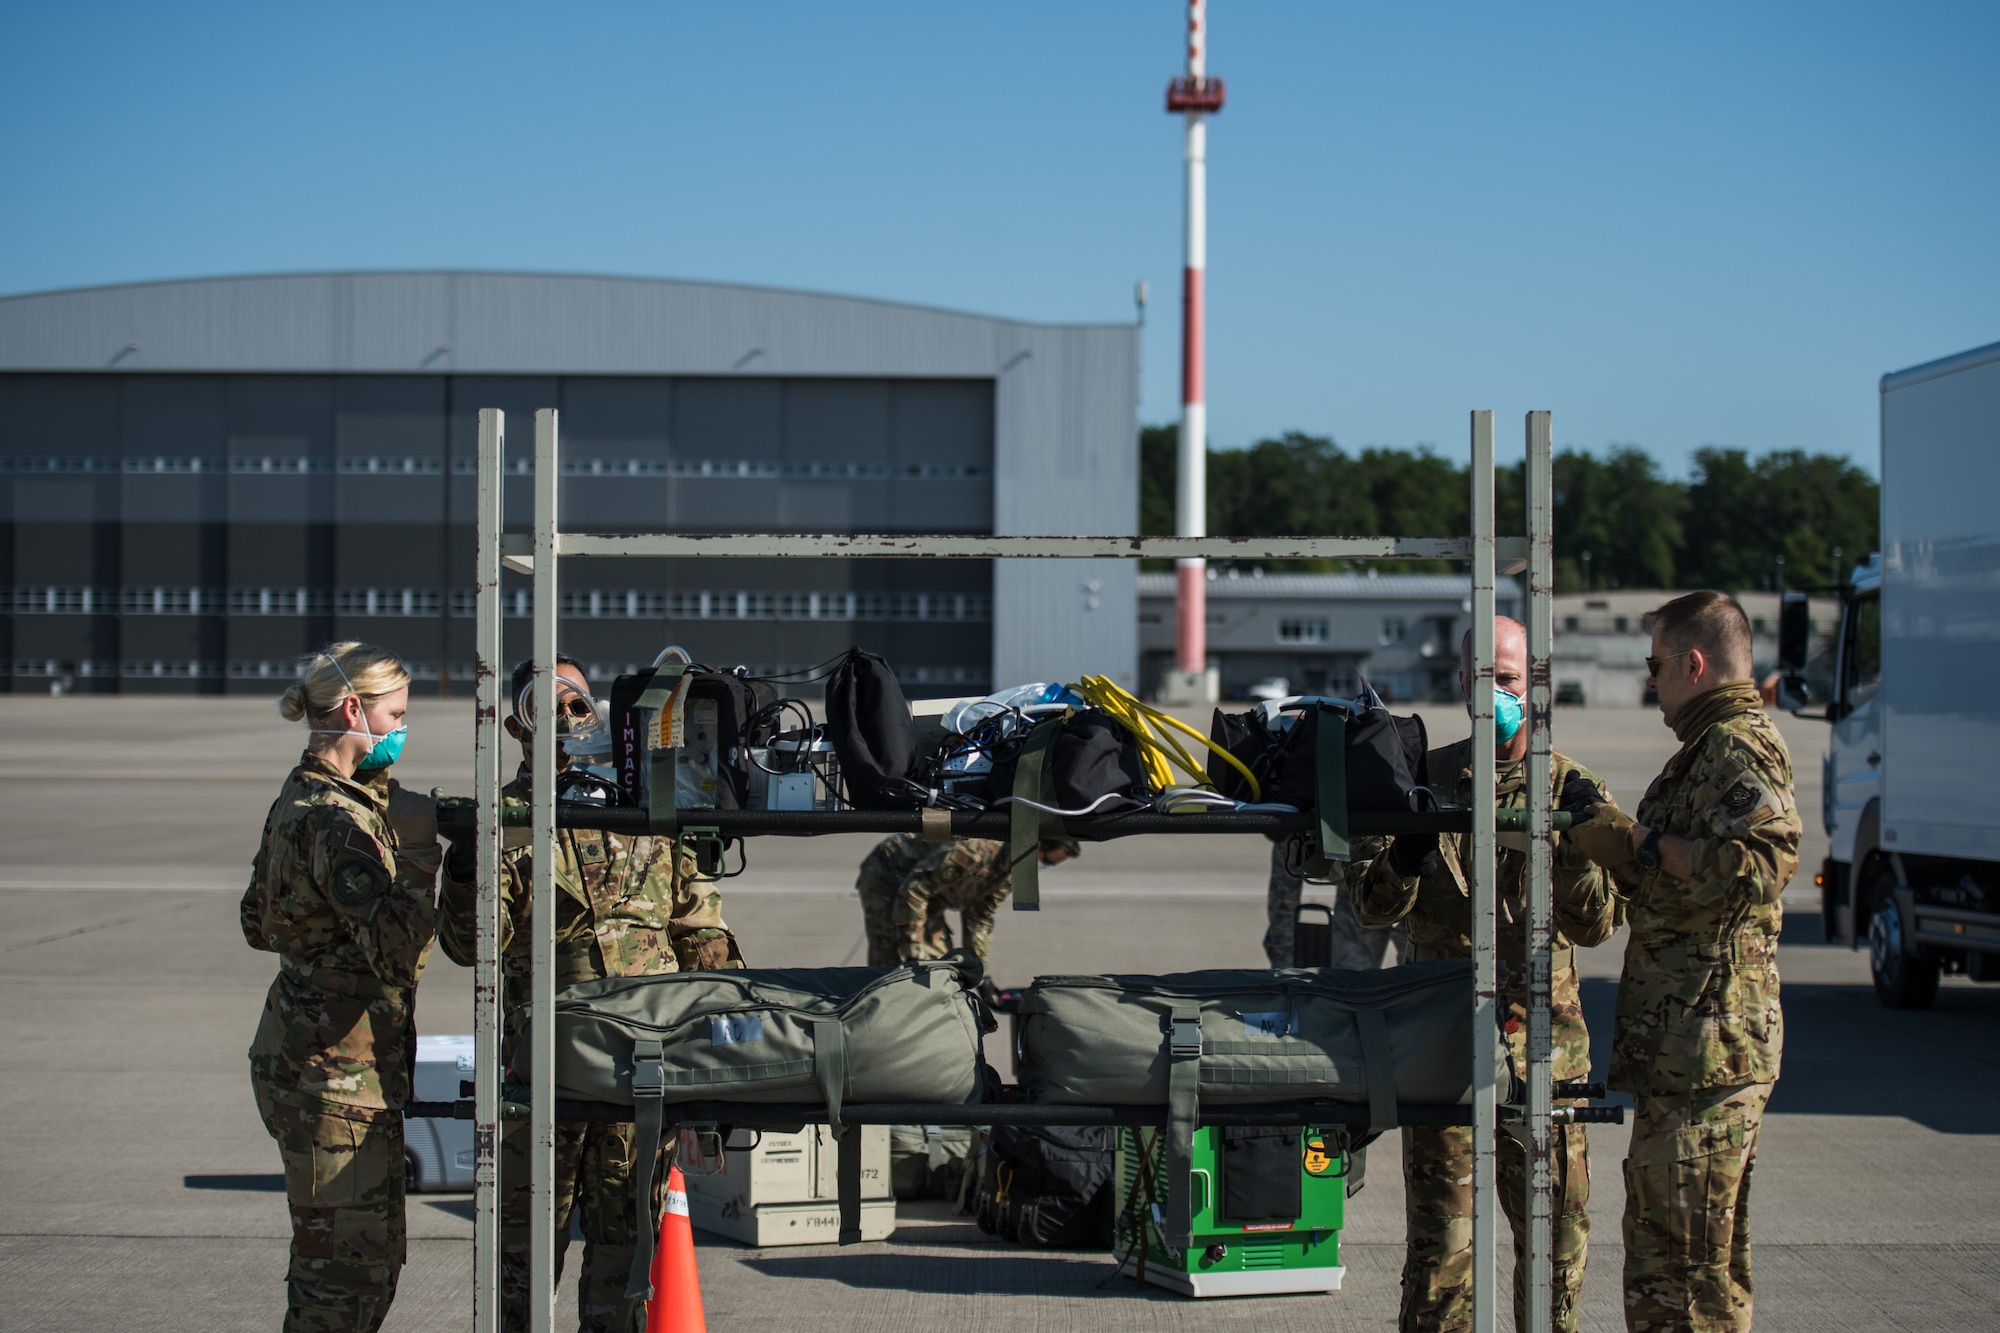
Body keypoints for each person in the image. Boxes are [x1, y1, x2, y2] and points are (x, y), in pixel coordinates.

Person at [437, 654, 744, 1333]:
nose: (572, 718)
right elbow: (467, 945)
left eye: (580, 704)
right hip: (545, 1068)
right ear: (519, 723)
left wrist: (720, 1058)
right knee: (521, 1247)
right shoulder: (508, 824)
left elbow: (700, 928)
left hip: (641, 1067)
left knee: (627, 1244)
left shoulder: (641, 810)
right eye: (552, 705)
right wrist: (464, 865)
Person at [1353, 617, 1622, 1333]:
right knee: (1442, 1255)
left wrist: (1563, 837)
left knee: (1554, 1247)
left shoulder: (1573, 785)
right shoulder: (1423, 779)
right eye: (1480, 678)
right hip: (1444, 1050)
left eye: (1505, 678)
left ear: (1534, 682)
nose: (1494, 693)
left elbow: (1596, 923)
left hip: (1545, 1057)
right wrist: (1407, 852)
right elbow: (1371, 907)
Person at [1566, 591, 1800, 1333]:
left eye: (1656, 664)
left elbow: (1762, 861)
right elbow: (1678, 882)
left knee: (1684, 1278)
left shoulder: (1736, 743)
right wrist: (1612, 843)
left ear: (1693, 662)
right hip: (1688, 1053)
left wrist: (1638, 843)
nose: (1651, 681)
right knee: (1687, 1265)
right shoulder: (1703, 749)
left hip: (1708, 1055)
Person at [241, 643, 440, 1333]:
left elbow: (254, 921)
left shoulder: (301, 797)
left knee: (355, 1266)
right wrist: (416, 858)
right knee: (343, 1284)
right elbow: (396, 952)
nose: (402, 730)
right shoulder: (337, 820)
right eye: (397, 714)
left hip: (311, 1059)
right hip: (336, 1080)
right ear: (354, 709)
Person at [855, 833, 1077, 966]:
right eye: (1045, 860)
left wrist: (981, 972)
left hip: (928, 889)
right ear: (1036, 844)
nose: (1043, 867)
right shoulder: (974, 852)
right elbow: (915, 891)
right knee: (892, 955)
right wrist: (912, 947)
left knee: (938, 963)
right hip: (888, 874)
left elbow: (980, 916)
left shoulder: (1010, 870)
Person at [1262, 837, 1406, 968]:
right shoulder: (1299, 833)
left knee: (1419, 980)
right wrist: (1285, 972)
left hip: (1416, 891)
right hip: (1356, 896)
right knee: (1350, 982)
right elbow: (1284, 898)